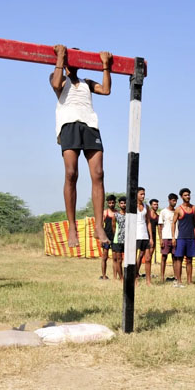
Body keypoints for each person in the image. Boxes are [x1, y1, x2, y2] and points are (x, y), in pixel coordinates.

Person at [50, 44, 113, 248]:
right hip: (69, 125)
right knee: (71, 173)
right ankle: (71, 227)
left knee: (98, 173)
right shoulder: (58, 76)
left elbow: (106, 90)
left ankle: (99, 226)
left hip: (90, 125)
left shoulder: (86, 82)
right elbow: (56, 84)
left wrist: (105, 66)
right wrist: (60, 57)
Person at [171, 188, 195, 286]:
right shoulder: (178, 209)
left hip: (191, 238)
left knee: (190, 260)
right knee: (179, 259)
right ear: (181, 197)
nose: (188, 197)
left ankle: (189, 281)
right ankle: (178, 280)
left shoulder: (194, 208)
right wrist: (173, 237)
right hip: (181, 238)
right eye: (186, 195)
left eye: (189, 195)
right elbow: (173, 223)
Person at [135, 188, 154, 285]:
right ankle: (134, 279)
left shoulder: (146, 206)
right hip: (135, 235)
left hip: (145, 235)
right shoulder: (132, 206)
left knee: (148, 258)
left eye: (144, 194)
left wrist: (151, 237)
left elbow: (148, 222)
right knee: (133, 259)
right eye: (141, 194)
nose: (143, 196)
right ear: (136, 194)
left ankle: (148, 280)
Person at [158, 193, 178, 282]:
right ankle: (162, 276)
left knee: (175, 258)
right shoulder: (163, 212)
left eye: (176, 200)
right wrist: (161, 239)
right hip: (166, 237)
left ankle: (176, 276)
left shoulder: (177, 211)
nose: (175, 202)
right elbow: (160, 226)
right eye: (173, 200)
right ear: (169, 200)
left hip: (176, 237)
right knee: (164, 257)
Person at [99, 195, 116, 280]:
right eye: (110, 203)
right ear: (107, 203)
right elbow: (101, 225)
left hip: (115, 237)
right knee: (104, 257)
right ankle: (104, 275)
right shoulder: (105, 213)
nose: (111, 204)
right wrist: (101, 238)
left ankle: (115, 276)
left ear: (115, 203)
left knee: (115, 258)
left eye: (113, 202)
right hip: (106, 237)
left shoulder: (117, 213)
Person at [111, 196, 127, 280]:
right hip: (117, 240)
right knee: (119, 260)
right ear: (119, 204)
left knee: (128, 260)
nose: (123, 205)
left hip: (127, 240)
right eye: (121, 203)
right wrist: (117, 235)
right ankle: (121, 278)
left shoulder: (130, 215)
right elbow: (113, 228)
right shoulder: (115, 215)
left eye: (125, 203)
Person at [146, 198, 160, 268]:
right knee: (141, 255)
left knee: (150, 256)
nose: (156, 206)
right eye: (154, 204)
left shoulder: (158, 217)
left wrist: (161, 239)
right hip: (146, 236)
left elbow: (160, 229)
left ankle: (148, 273)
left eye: (157, 205)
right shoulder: (147, 214)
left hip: (153, 237)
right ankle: (136, 273)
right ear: (151, 205)